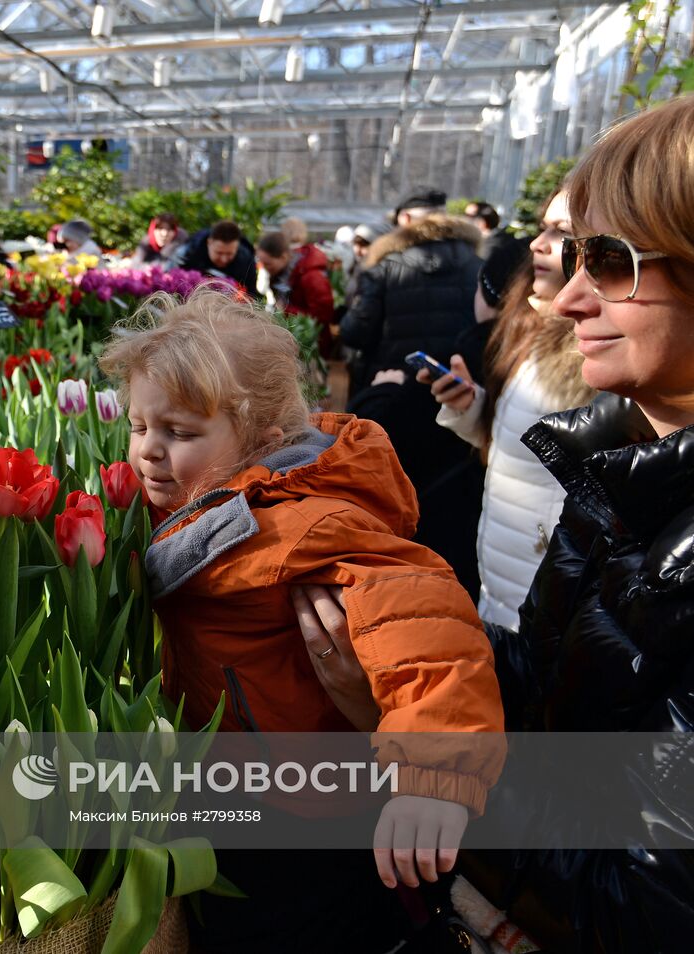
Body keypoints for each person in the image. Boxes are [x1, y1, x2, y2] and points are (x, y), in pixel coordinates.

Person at [295, 95, 694, 953]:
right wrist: (416, 664)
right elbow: (555, 685)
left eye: (613, 261)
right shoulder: (625, 464)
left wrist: (421, 751)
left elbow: (647, 906)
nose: (568, 297)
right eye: (573, 255)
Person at [99, 285, 504, 954]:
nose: (148, 450)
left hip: (309, 804)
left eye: (180, 432)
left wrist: (433, 777)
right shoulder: (197, 502)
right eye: (141, 426)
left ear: (261, 437)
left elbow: (428, 625)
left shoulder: (306, 526)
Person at [417, 189, 593, 631]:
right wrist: (472, 408)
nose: (537, 243)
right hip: (507, 574)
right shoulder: (537, 333)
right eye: (543, 227)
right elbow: (523, 445)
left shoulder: (599, 353)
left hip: (547, 587)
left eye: (562, 232)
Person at [340, 188, 483, 396]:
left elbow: (355, 333)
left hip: (390, 389)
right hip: (454, 393)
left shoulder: (383, 268)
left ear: (405, 218)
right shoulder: (478, 267)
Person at [255, 229, 336, 353]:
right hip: (292, 340)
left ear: (283, 257)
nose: (265, 268)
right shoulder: (284, 273)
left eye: (268, 264)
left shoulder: (312, 276)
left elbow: (323, 316)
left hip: (311, 346)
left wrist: (285, 310)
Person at [466, 201, 528, 322]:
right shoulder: (504, 240)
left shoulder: (489, 248)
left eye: (468, 216)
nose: (464, 220)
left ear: (482, 223)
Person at [173, 219, 262, 299]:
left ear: (237, 247)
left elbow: (251, 295)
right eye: (219, 253)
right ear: (209, 243)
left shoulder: (246, 261)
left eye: (229, 254)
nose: (224, 259)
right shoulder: (189, 252)